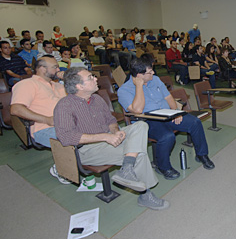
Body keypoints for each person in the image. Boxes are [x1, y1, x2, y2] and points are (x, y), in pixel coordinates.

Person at [53, 67, 169, 210]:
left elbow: (110, 119)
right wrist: (105, 137)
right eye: (90, 77)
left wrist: (115, 131)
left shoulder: (96, 99)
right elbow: (65, 137)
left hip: (108, 137)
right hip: (87, 149)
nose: (96, 79)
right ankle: (145, 194)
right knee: (138, 154)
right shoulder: (64, 106)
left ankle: (127, 167)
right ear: (79, 86)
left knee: (140, 125)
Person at [118, 55, 215, 180]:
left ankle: (202, 155)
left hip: (167, 114)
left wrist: (176, 112)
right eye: (149, 72)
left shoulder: (155, 80)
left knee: (194, 122)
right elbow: (137, 110)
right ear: (139, 75)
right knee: (167, 136)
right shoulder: (124, 90)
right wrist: (139, 86)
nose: (153, 72)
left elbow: (169, 98)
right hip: (147, 121)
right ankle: (162, 167)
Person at [10, 55, 70, 184]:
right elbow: (16, 109)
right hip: (44, 128)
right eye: (55, 67)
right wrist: (46, 119)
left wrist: (70, 81)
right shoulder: (27, 84)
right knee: (74, 137)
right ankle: (61, 168)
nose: (58, 69)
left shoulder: (59, 86)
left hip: (68, 123)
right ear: (42, 69)